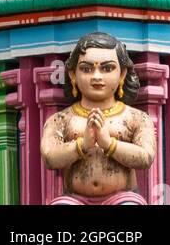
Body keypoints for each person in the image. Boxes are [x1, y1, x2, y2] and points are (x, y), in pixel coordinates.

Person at [41, 32, 155, 205]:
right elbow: (50, 158)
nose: (96, 76)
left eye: (107, 68)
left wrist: (109, 144)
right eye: (86, 69)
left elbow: (146, 158)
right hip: (74, 199)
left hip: (122, 198)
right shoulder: (61, 119)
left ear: (122, 74)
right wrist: (82, 144)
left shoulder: (136, 118)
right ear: (72, 75)